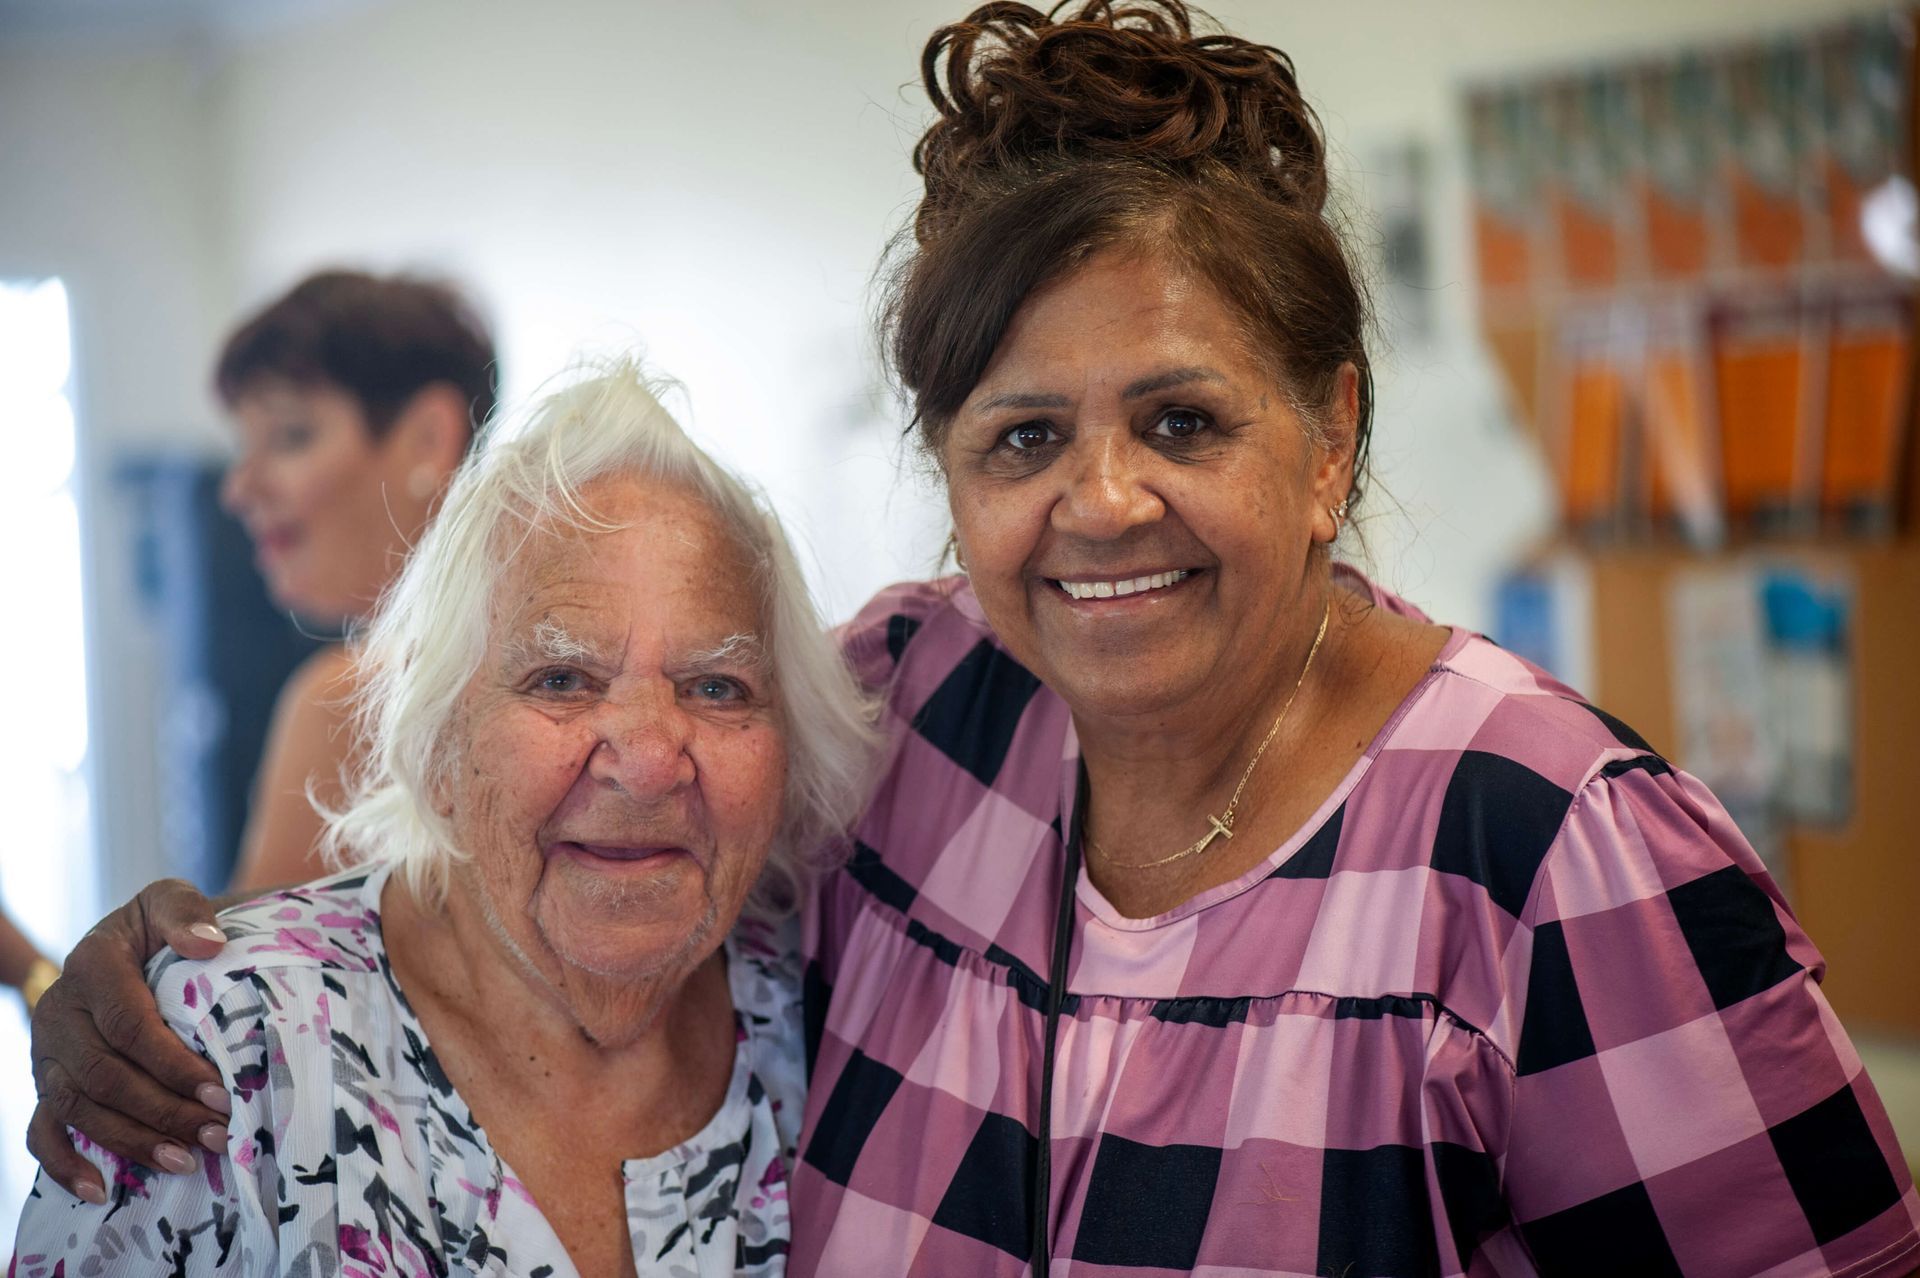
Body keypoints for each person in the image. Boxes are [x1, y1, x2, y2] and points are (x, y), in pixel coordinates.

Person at [24, 3, 1920, 1274]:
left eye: (1182, 419)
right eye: (1023, 438)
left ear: (1330, 431)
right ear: (947, 471)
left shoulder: (1555, 853)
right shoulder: (909, 709)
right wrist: (190, 962)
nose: (1100, 504)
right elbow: (586, 852)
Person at [12, 364, 877, 1274]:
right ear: (436, 748)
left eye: (716, 686)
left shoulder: (827, 1013)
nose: (651, 759)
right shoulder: (226, 1052)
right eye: (562, 678)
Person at [215, 269, 498, 891]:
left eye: (291, 436)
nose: (238, 488)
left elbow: (225, 988)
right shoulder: (523, 652)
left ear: (429, 437)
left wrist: (29, 970)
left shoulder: (352, 702)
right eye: (244, 446)